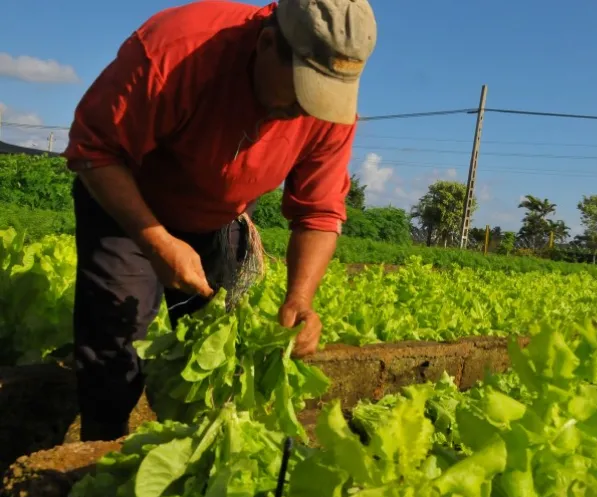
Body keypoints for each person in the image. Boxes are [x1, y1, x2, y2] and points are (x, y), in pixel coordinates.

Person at [61, 0, 377, 442]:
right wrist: (157, 241)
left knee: (218, 347)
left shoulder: (330, 113)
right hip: (127, 199)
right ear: (267, 44)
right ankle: (100, 456)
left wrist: (300, 297)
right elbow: (93, 150)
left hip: (217, 216)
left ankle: (202, 460)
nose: (307, 112)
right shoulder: (177, 50)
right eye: (302, 92)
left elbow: (319, 211)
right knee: (115, 345)